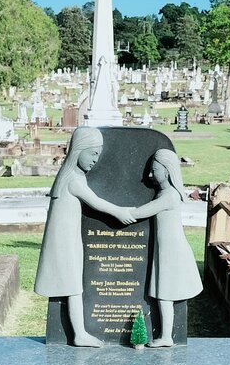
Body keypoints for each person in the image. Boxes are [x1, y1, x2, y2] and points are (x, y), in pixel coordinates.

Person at [34, 127, 135, 347]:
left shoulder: (72, 175)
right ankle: (79, 334)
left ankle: (79, 333)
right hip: (64, 240)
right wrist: (120, 212)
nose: (95, 160)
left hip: (68, 238)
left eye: (98, 154)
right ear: (79, 150)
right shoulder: (72, 178)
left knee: (73, 285)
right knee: (73, 286)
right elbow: (95, 201)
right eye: (93, 153)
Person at [126, 149, 202, 346]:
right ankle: (165, 336)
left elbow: (143, 212)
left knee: (165, 292)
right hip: (165, 249)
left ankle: (166, 336)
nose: (150, 175)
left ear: (167, 171)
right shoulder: (164, 192)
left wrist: (122, 212)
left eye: (154, 170)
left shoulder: (169, 196)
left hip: (172, 251)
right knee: (163, 292)